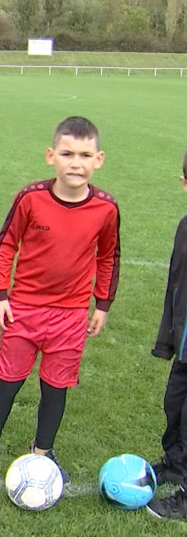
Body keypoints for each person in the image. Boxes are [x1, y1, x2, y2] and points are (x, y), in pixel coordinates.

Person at [0, 116, 120, 482]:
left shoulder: (106, 209)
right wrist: (0, 296)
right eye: (67, 153)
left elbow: (109, 256)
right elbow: (6, 244)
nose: (75, 162)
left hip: (72, 315)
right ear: (51, 156)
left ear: (99, 159)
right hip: (23, 310)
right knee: (8, 380)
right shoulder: (30, 198)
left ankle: (43, 451)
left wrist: (103, 305)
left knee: (56, 386)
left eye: (84, 154)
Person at [146, 150, 187, 519]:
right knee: (175, 405)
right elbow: (176, 286)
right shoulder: (185, 227)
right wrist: (167, 338)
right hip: (186, 344)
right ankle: (176, 464)